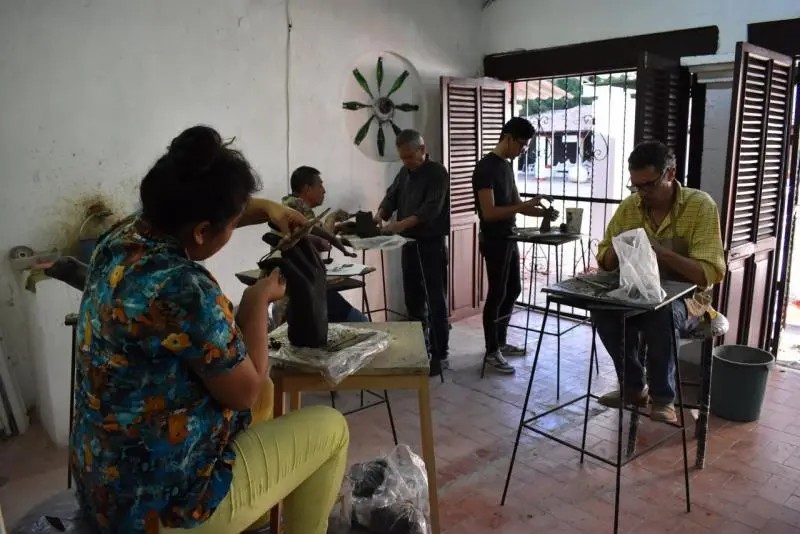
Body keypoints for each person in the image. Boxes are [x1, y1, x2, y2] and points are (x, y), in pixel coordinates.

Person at [70, 126, 350, 534]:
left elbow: (208, 208)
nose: (236, 226)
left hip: (104, 480)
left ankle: (255, 508)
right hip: (158, 510)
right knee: (330, 429)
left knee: (270, 394)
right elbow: (245, 393)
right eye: (232, 224)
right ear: (202, 231)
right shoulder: (185, 288)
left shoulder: (123, 235)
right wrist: (256, 304)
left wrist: (270, 208)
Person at [594, 140, 725, 423]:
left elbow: (709, 273)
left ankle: (663, 397)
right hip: (638, 291)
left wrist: (661, 252)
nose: (642, 193)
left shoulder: (700, 206)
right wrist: (618, 250)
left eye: (649, 185)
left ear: (670, 173)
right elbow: (603, 258)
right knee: (603, 311)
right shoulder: (631, 207)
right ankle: (632, 386)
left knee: (661, 313)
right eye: (636, 186)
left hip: (690, 299)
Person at [472, 117, 557, 375]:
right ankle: (491, 351)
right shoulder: (485, 168)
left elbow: (515, 204)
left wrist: (541, 213)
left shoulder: (506, 167)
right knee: (496, 293)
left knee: (513, 289)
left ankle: (501, 341)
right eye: (522, 144)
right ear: (507, 137)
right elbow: (489, 213)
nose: (523, 150)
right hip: (495, 239)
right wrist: (523, 206)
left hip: (510, 237)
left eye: (526, 146)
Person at [376, 130, 450, 376]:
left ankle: (440, 354)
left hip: (431, 244)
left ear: (422, 149)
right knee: (414, 300)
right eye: (403, 158)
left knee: (435, 300)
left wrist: (398, 225)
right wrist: (380, 214)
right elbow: (392, 196)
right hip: (408, 244)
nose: (407, 161)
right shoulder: (405, 172)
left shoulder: (437, 173)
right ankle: (421, 349)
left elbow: (430, 209)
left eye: (410, 156)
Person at [282, 165, 369, 323]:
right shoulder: (298, 207)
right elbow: (323, 244)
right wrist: (331, 218)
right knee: (363, 322)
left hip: (300, 282)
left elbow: (312, 237)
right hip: (304, 288)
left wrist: (336, 228)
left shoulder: (288, 204)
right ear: (307, 189)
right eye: (320, 185)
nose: (324, 190)